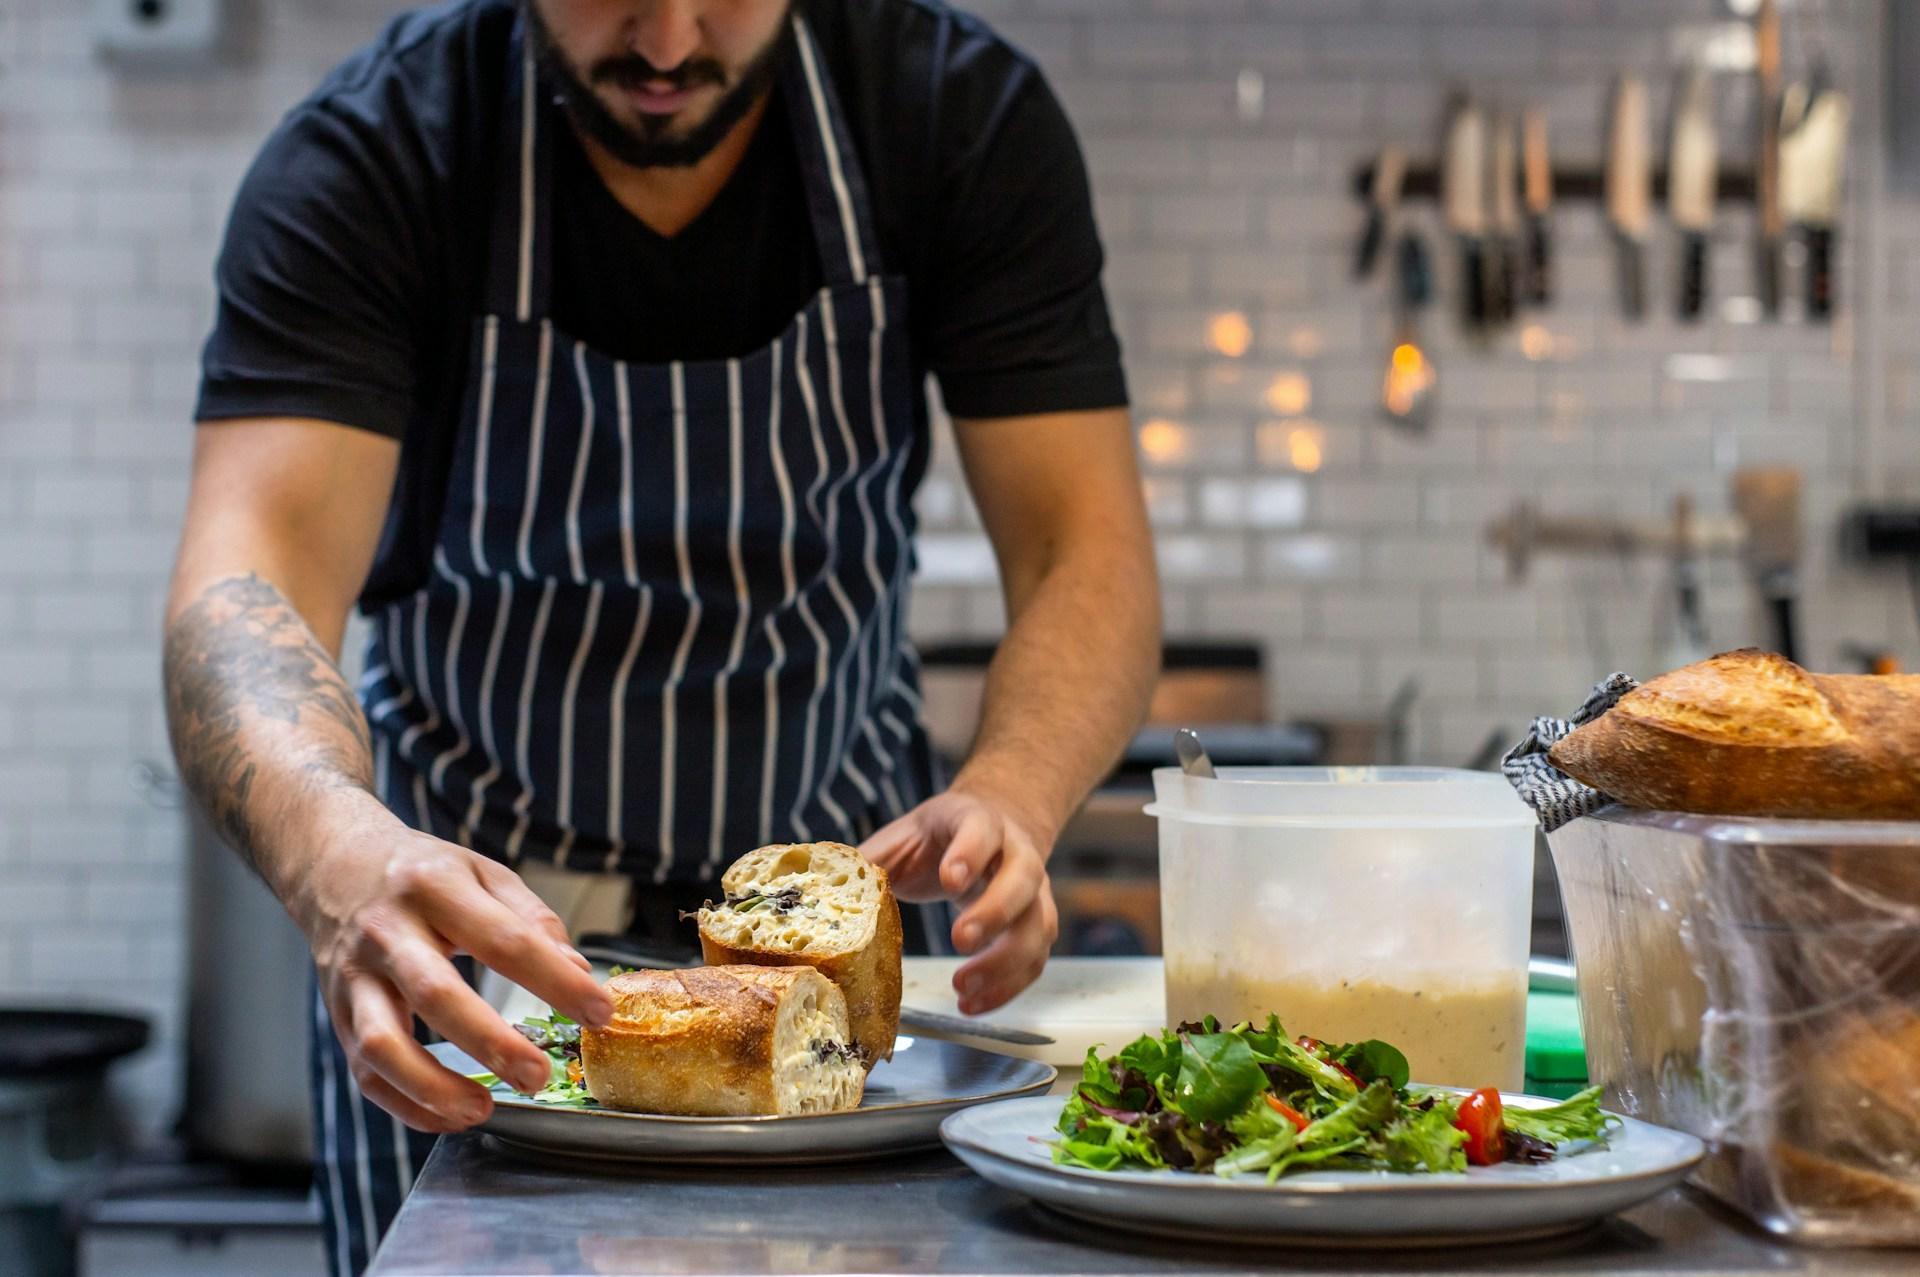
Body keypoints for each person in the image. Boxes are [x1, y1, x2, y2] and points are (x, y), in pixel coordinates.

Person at [161, 1, 1159, 1272]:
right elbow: (246, 585)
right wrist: (331, 849)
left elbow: (1089, 551)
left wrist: (1013, 791)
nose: (672, 41)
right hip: (479, 1003)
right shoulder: (379, 153)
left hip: (835, 1034)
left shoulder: (949, 117)